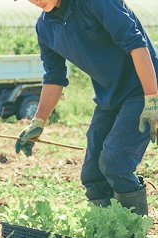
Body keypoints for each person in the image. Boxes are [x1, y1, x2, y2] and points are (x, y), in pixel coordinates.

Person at [15, 0, 158, 216]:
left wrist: (153, 100)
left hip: (143, 90)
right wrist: (39, 122)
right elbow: (54, 78)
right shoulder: (45, 27)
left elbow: (136, 44)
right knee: (92, 172)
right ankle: (106, 229)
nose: (35, 0)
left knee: (115, 162)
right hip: (108, 97)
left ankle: (134, 231)